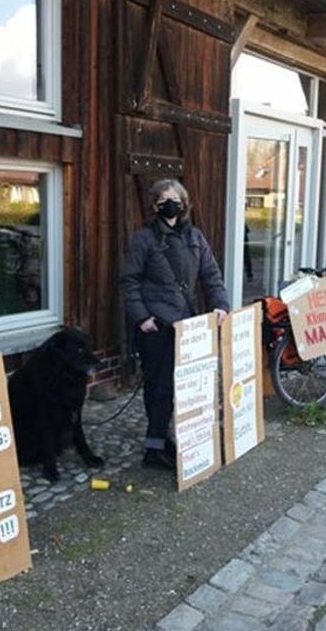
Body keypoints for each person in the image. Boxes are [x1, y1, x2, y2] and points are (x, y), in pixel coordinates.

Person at [121, 179, 230, 470]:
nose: (170, 205)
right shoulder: (143, 239)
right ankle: (154, 448)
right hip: (155, 327)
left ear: (184, 203)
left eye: (175, 199)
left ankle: (162, 438)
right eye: (163, 201)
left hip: (187, 324)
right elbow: (129, 281)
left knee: (178, 387)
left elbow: (211, 275)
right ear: (154, 206)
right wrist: (142, 317)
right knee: (159, 388)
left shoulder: (195, 237)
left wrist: (220, 304)